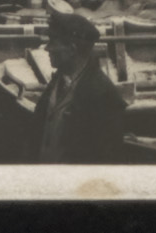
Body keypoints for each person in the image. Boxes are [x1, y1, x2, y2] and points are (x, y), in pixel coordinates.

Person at [31, 9, 129, 163]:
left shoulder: (103, 95)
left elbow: (106, 159)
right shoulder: (58, 81)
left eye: (53, 42)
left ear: (72, 49)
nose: (47, 48)